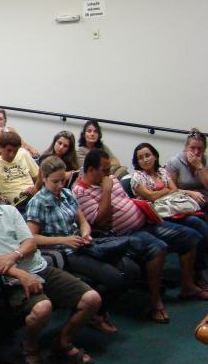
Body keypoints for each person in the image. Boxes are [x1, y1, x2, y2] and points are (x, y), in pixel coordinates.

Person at [0, 173, 102, 364]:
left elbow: (30, 243)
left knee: (92, 299)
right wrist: (20, 274)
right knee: (42, 308)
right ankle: (30, 347)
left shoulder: (9, 211)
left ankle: (63, 340)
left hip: (38, 266)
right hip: (9, 280)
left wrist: (12, 256)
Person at [72, 149, 208, 323]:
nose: (109, 174)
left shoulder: (111, 179)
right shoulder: (81, 191)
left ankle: (187, 286)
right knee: (158, 248)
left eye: (109, 170)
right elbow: (100, 222)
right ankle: (155, 302)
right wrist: (106, 191)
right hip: (123, 234)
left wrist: (145, 211)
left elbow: (125, 201)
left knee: (190, 236)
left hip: (145, 222)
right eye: (104, 170)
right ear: (91, 170)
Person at [26, 156, 140, 334]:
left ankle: (95, 309)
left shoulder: (66, 194)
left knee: (133, 270)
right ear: (45, 178)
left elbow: (83, 221)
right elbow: (32, 238)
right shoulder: (38, 202)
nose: (60, 185)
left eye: (62, 180)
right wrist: (64, 240)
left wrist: (86, 232)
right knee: (115, 278)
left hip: (81, 243)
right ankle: (93, 312)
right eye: (55, 181)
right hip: (63, 251)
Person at [131, 142, 208, 283]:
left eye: (148, 155)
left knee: (199, 223)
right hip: (156, 215)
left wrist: (161, 192)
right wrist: (166, 191)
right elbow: (151, 197)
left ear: (155, 156)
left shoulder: (162, 171)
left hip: (173, 210)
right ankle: (195, 276)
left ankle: (199, 271)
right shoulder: (137, 177)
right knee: (192, 231)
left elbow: (174, 189)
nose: (145, 160)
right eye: (140, 158)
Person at [0, 131, 38, 210]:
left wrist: (35, 187)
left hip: (35, 196)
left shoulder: (23, 154)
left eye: (15, 151)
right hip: (19, 203)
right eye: (9, 150)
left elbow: (39, 177)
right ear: (1, 148)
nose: (12, 154)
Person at [166, 129, 208, 205]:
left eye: (200, 148)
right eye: (192, 148)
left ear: (204, 149)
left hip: (203, 198)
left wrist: (199, 166)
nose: (196, 152)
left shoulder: (206, 161)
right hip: (181, 199)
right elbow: (170, 190)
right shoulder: (174, 162)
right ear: (186, 148)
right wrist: (190, 193)